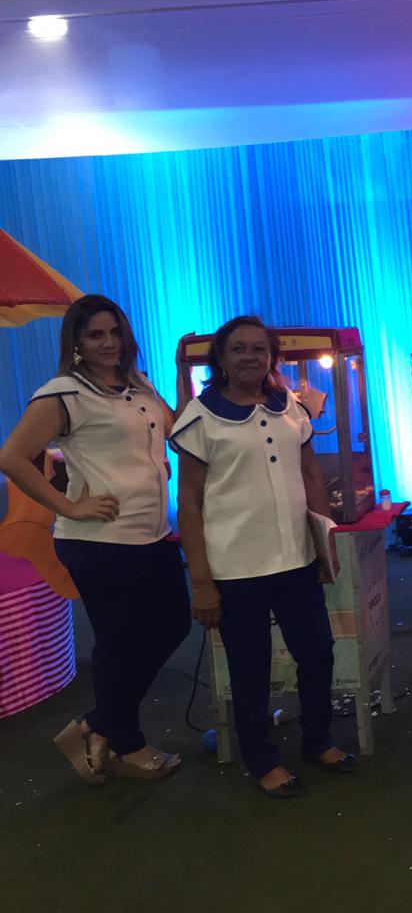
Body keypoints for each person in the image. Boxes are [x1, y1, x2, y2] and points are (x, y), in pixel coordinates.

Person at [0, 294, 189, 783]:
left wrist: (182, 372)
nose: (108, 343)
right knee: (119, 642)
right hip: (99, 541)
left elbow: (181, 432)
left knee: (172, 625)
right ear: (77, 343)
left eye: (114, 332)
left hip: (152, 534)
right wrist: (68, 506)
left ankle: (98, 724)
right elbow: (13, 457)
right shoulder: (63, 393)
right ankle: (127, 742)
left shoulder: (139, 384)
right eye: (95, 335)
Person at [172, 315, 353, 799]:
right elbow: (188, 502)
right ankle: (262, 759)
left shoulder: (289, 406)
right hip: (236, 570)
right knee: (250, 669)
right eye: (238, 348)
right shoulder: (200, 417)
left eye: (258, 348)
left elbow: (311, 475)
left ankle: (317, 740)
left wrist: (324, 540)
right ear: (221, 357)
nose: (249, 356)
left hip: (295, 560)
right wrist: (201, 581)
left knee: (317, 652)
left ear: (272, 355)